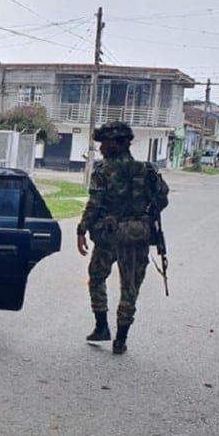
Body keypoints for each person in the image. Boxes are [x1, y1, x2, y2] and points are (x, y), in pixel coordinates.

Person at [77, 121, 169, 354]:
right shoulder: (147, 171)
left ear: (117, 144)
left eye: (105, 144)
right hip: (137, 235)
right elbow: (162, 200)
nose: (101, 149)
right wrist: (142, 215)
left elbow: (94, 204)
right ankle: (121, 339)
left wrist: (82, 230)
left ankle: (101, 326)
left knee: (97, 277)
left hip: (109, 236)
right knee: (130, 287)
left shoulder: (103, 171)